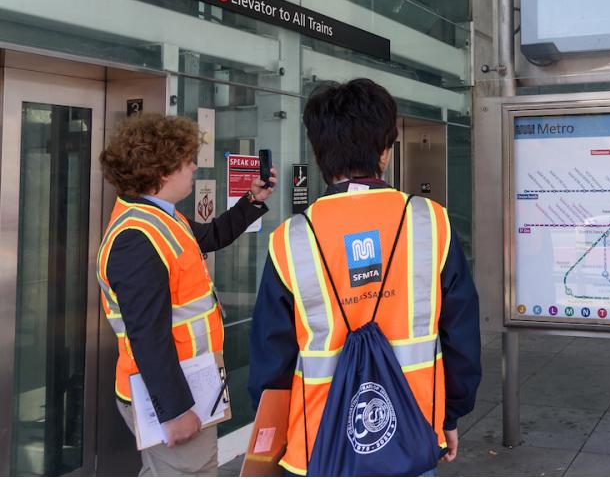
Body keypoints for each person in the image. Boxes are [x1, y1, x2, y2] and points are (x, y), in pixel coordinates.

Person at [249, 78, 481, 476]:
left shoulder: (291, 239)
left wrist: (272, 444)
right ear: (385, 149)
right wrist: (450, 415)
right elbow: (460, 334)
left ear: (319, 153)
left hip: (318, 445)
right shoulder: (430, 222)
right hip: (415, 430)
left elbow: (272, 359)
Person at [97, 113, 275, 476]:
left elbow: (210, 236)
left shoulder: (161, 217)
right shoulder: (137, 238)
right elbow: (147, 336)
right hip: (170, 394)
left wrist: (251, 201)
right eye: (187, 160)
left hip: (187, 381)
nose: (194, 167)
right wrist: (175, 411)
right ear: (163, 171)